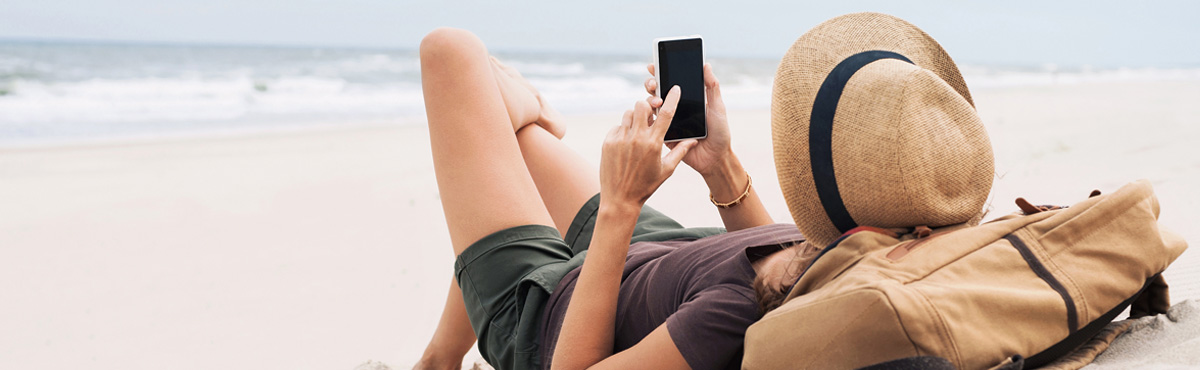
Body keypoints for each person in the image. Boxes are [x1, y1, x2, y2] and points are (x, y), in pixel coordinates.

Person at [412, 27, 817, 370]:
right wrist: (719, 164)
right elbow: (779, 274)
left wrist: (621, 205)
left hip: (559, 311)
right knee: (502, 128)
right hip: (670, 254)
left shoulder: (728, 313)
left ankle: (437, 360)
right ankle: (439, 359)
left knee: (449, 52)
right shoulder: (858, 249)